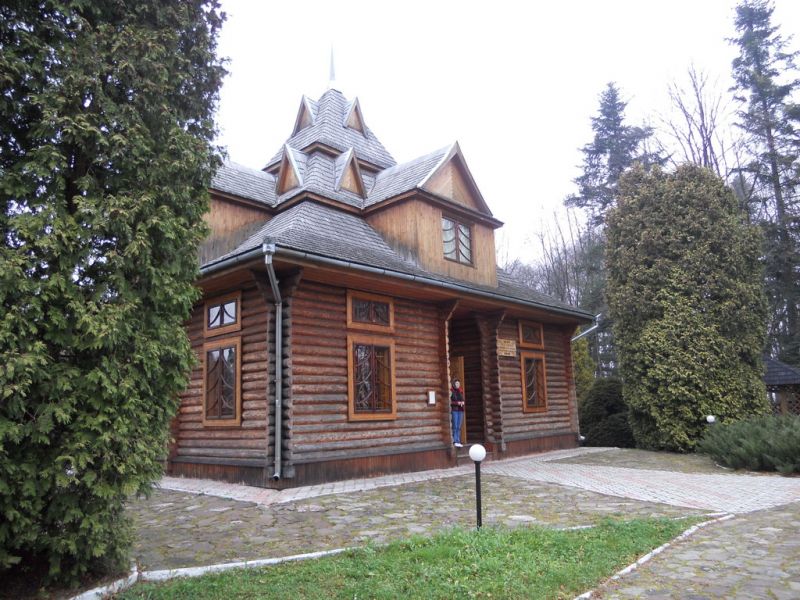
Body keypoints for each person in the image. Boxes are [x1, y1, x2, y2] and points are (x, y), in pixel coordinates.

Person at [450, 378, 465, 447]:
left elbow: (463, 399)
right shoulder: (451, 391)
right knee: (455, 426)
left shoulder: (461, 391)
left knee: (459, 426)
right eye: (456, 383)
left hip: (461, 410)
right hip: (455, 410)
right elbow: (450, 401)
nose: (458, 385)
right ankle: (455, 441)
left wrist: (462, 402)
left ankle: (458, 440)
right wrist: (457, 403)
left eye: (458, 384)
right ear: (454, 384)